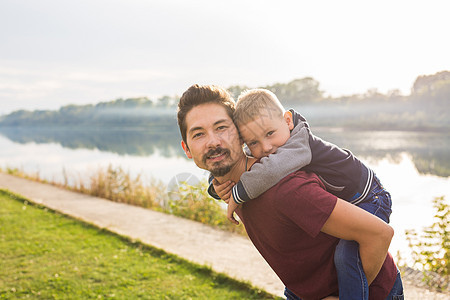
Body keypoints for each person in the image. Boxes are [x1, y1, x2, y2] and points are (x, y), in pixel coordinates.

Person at [177, 84, 404, 300]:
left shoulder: (285, 188)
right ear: (186, 148)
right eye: (198, 134)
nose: (213, 142)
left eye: (221, 128)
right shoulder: (233, 185)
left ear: (237, 134)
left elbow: (379, 234)